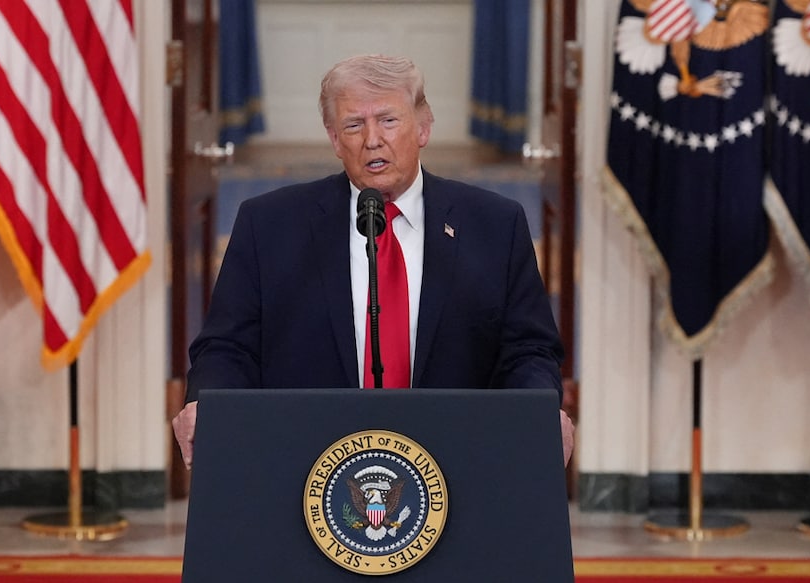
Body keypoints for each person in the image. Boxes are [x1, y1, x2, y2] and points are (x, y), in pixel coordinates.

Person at [172, 54, 574, 468]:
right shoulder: (269, 225)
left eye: (388, 120)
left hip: (458, 463)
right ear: (333, 139)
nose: (372, 140)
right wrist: (205, 404)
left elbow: (529, 350)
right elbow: (227, 347)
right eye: (353, 125)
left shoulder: (494, 225)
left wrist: (538, 408)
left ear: (423, 127)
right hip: (305, 464)